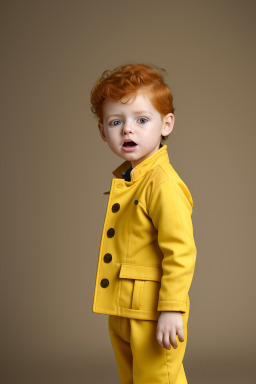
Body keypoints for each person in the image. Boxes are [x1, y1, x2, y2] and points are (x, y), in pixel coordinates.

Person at [90, 63, 197, 384]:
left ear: (166, 124)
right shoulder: (132, 179)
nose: (127, 130)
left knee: (159, 379)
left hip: (152, 313)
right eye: (115, 122)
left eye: (141, 119)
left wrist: (171, 309)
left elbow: (180, 252)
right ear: (102, 131)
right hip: (124, 310)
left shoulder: (162, 183)